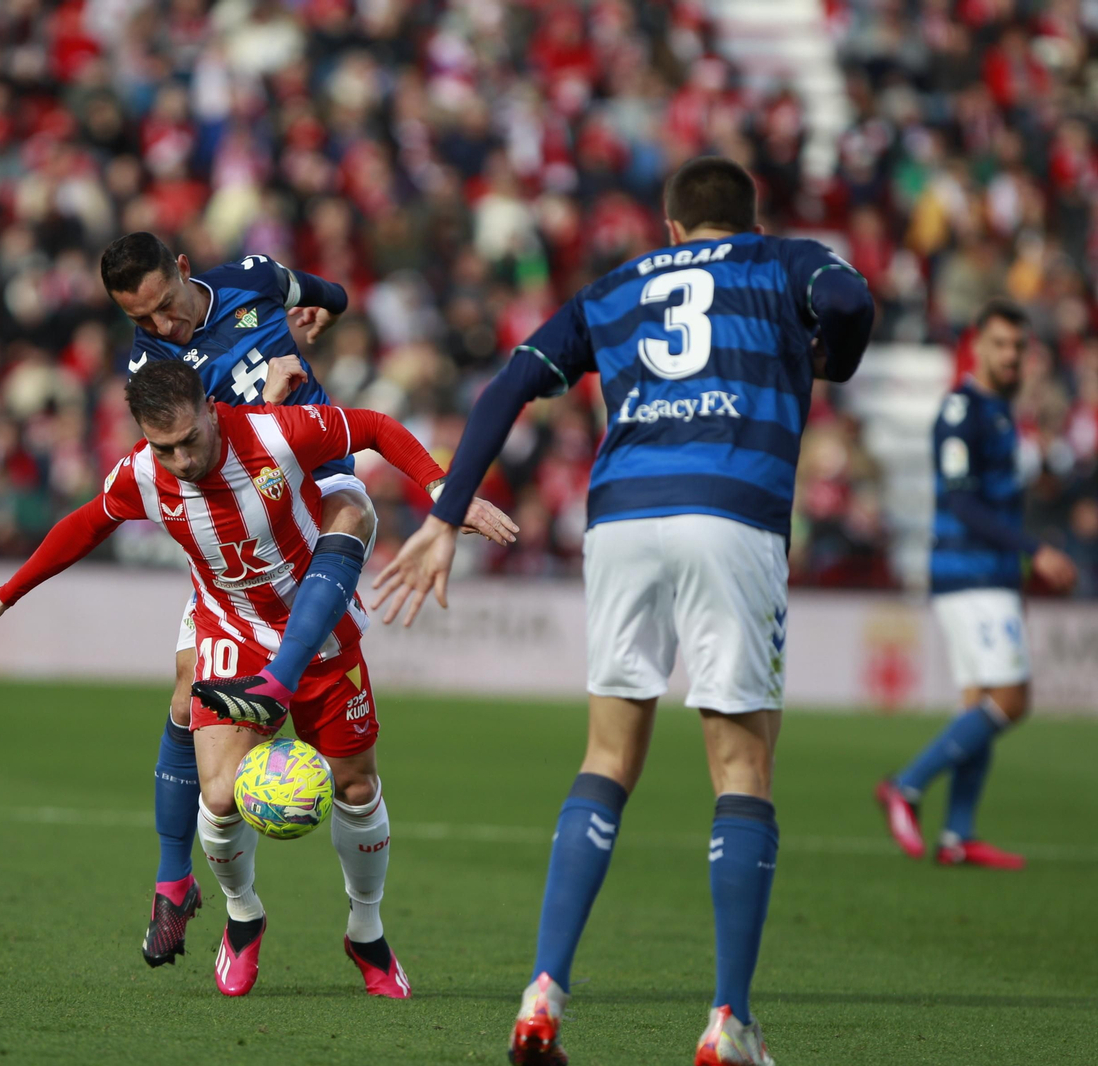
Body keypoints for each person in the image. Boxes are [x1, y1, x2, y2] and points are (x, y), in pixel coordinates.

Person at [371, 157, 875, 1066]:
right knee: (741, 765)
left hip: (624, 520)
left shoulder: (617, 286)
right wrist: (831, 359)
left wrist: (445, 515)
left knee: (607, 755)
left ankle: (543, 993)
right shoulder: (784, 261)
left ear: (674, 228)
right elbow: (846, 299)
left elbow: (505, 388)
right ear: (745, 221)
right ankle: (729, 1020)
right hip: (732, 510)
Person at [0, 359, 512, 998]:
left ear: (212, 411)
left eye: (190, 439)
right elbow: (85, 524)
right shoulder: (142, 473)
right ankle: (243, 917)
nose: (182, 459)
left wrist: (444, 492)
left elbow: (378, 428)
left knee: (357, 789)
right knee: (218, 800)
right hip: (233, 637)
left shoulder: (275, 435)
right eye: (165, 447)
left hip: (320, 630)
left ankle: (366, 930)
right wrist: (7, 594)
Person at [98, 231, 517, 968]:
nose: (161, 327)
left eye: (166, 306)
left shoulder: (254, 277)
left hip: (318, 482)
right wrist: (261, 407)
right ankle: (175, 882)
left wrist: (311, 320)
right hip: (245, 517)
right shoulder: (151, 363)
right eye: (142, 318)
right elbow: (197, 443)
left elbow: (334, 296)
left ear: (185, 273)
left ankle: (281, 693)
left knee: (350, 512)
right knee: (183, 692)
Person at [875, 301, 1078, 868]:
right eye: (1000, 344)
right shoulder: (962, 410)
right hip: (967, 573)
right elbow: (960, 500)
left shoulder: (1000, 413)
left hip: (990, 576)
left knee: (981, 704)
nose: (1010, 356)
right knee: (1012, 700)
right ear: (978, 346)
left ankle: (957, 836)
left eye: (1018, 347)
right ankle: (906, 786)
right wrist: (1034, 552)